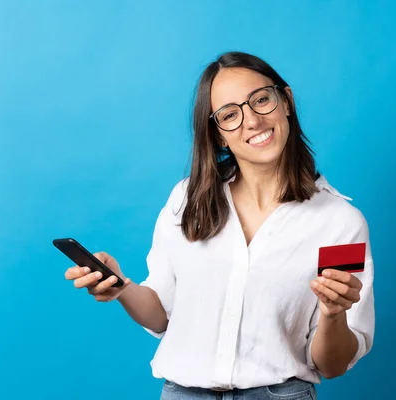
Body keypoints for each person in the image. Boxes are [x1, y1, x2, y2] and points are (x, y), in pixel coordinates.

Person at [64, 51, 375, 399]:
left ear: (285, 101)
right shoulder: (187, 200)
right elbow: (161, 314)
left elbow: (332, 365)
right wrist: (121, 287)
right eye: (230, 114)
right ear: (217, 135)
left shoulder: (339, 223)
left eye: (261, 100)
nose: (252, 121)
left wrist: (334, 313)